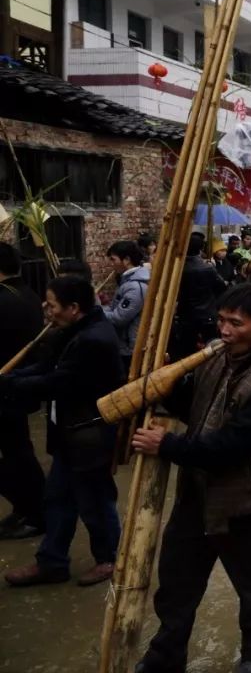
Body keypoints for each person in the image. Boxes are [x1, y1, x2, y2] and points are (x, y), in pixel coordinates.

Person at [130, 284, 251, 673]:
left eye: (236, 323)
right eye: (221, 320)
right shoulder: (216, 356)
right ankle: (166, 655)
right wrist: (166, 382)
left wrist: (167, 445)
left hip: (242, 502)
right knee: (176, 582)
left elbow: (230, 447)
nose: (224, 329)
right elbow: (194, 408)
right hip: (195, 493)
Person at [1, 275, 124, 587]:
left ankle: (109, 558)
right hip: (70, 434)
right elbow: (46, 367)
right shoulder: (71, 331)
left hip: (90, 435)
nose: (47, 309)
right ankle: (52, 562)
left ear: (74, 307)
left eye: (53, 305)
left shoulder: (93, 340)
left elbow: (58, 382)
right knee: (57, 499)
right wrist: (9, 378)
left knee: (95, 501)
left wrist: (12, 386)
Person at [0, 243, 46, 540]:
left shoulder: (5, 299)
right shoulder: (29, 294)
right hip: (22, 385)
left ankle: (35, 510)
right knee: (19, 449)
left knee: (17, 453)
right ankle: (28, 507)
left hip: (7, 386)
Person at [171, 232, 227, 360]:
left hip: (186, 316)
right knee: (211, 350)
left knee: (187, 351)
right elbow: (221, 288)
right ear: (201, 249)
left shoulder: (178, 268)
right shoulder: (207, 268)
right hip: (207, 315)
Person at [104, 240, 150, 370]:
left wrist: (95, 312)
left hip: (130, 348)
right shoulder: (127, 282)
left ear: (127, 260)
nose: (111, 264)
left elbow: (119, 318)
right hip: (124, 344)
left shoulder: (135, 287)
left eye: (113, 260)